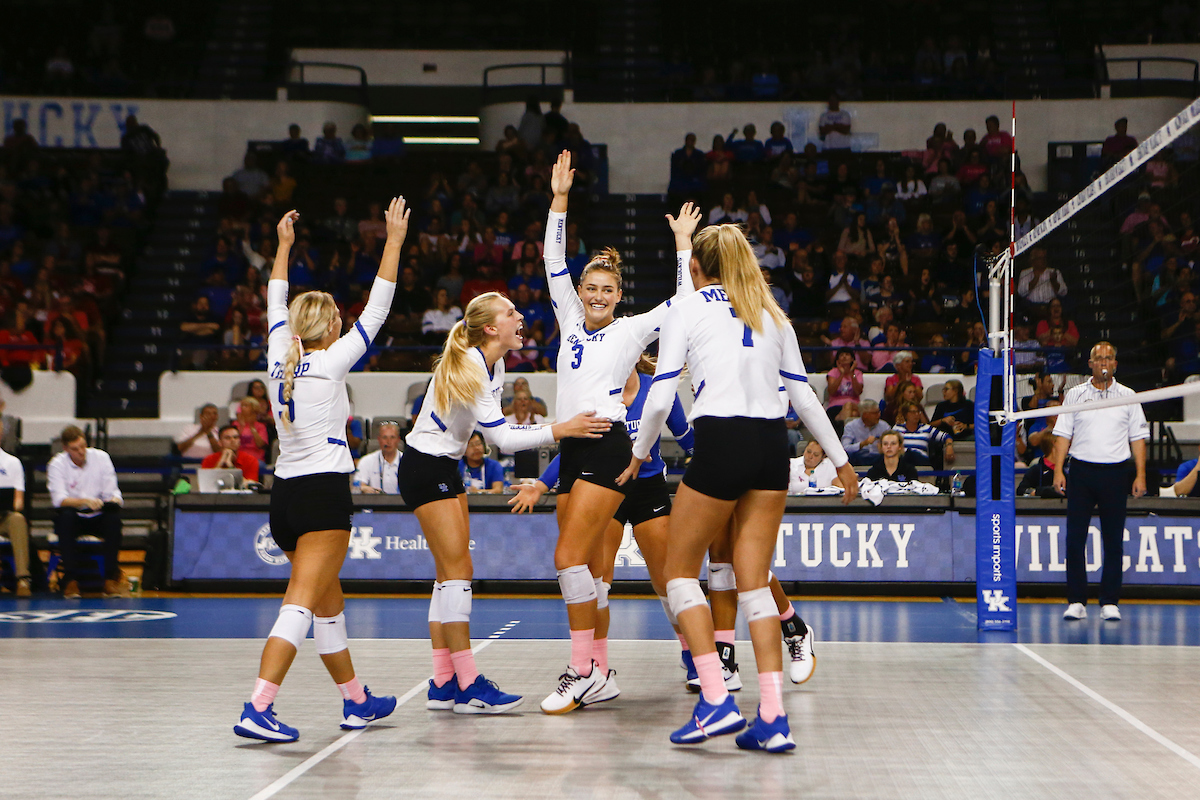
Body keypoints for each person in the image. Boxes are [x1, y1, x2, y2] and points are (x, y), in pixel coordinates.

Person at [618, 214, 856, 752]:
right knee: (753, 582)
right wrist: (842, 462)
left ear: (697, 268)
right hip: (772, 447)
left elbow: (659, 398)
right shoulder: (771, 311)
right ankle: (771, 717)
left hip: (721, 441)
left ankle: (716, 699)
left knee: (679, 574)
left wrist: (637, 455)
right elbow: (805, 397)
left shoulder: (687, 308)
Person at [234, 203, 408, 743]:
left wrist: (283, 247)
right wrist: (394, 241)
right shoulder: (332, 362)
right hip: (322, 499)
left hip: (285, 497)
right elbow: (378, 307)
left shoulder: (276, 357)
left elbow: (273, 300)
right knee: (301, 606)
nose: (343, 324)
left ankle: (356, 701)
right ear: (330, 325)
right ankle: (258, 706)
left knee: (328, 606)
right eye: (338, 319)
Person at [537, 153, 701, 715]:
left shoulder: (630, 330)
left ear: (618, 295)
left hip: (608, 446)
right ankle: (598, 672)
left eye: (608, 289)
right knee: (581, 566)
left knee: (568, 557)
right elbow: (551, 258)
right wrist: (560, 200)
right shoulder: (567, 316)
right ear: (580, 290)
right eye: (591, 287)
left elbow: (683, 304)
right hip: (572, 447)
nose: (598, 295)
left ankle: (583, 670)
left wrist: (682, 244)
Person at [400, 283, 610, 715]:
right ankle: (468, 684)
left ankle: (443, 683)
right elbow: (501, 439)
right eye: (511, 312)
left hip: (443, 467)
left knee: (447, 575)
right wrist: (561, 429)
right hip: (426, 467)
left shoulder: (492, 363)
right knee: (458, 573)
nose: (520, 316)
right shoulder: (472, 363)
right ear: (492, 328)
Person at [1052, 342, 1148, 622]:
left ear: (1115, 363)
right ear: (1090, 364)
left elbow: (1138, 438)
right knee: (1075, 540)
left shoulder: (1128, 396)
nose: (1104, 362)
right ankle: (1076, 601)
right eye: (1099, 358)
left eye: (1109, 357)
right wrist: (1058, 471)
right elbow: (1062, 435)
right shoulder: (1075, 395)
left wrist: (1140, 474)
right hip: (1081, 472)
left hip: (1115, 473)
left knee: (1113, 541)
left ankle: (1109, 601)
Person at [47, 426, 129, 599]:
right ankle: (71, 580)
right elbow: (59, 500)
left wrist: (113, 500)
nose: (81, 452)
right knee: (66, 518)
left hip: (98, 515)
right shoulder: (57, 464)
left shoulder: (101, 458)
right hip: (74, 516)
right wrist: (84, 501)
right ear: (65, 448)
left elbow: (112, 491)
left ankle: (109, 578)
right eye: (75, 449)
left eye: (83, 446)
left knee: (113, 520)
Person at [0, 418, 31, 596]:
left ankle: (23, 579)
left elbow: (19, 501)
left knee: (18, 519)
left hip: (4, 516)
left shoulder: (12, 463)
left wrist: (13, 505)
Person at [353, 422, 401, 494]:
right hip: (374, 500)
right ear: (379, 439)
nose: (388, 442)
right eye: (385, 437)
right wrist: (363, 488)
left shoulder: (408, 461)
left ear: (398, 440)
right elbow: (356, 487)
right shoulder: (366, 461)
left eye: (392, 437)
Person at [841, 399, 890, 465]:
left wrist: (883, 448)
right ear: (865, 415)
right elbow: (845, 448)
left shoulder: (884, 426)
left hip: (879, 457)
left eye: (879, 412)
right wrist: (862, 444)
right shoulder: (851, 426)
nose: (879, 415)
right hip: (859, 458)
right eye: (875, 413)